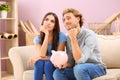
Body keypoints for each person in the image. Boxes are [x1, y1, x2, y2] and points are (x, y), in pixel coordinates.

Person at [53, 8, 106, 80]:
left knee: (79, 69)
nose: (66, 22)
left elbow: (80, 60)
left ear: (78, 19)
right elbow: (71, 62)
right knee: (57, 72)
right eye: (64, 20)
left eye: (68, 18)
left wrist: (73, 38)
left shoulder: (89, 35)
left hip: (96, 67)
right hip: (78, 69)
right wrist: (64, 64)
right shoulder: (68, 38)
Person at [29, 12, 67, 80]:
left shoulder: (61, 36)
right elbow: (42, 55)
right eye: (46, 19)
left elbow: (58, 58)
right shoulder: (37, 39)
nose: (48, 22)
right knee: (39, 63)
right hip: (42, 64)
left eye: (52, 21)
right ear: (43, 22)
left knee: (48, 64)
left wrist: (39, 58)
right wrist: (46, 35)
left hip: (55, 64)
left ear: (55, 26)